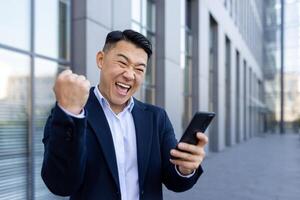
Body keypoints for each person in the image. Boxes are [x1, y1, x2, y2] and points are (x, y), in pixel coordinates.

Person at [41, 29, 208, 200]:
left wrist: (185, 169)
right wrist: (71, 114)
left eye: (139, 69)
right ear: (101, 59)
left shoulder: (156, 118)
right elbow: (60, 185)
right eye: (122, 63)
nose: (129, 75)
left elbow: (175, 182)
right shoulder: (72, 112)